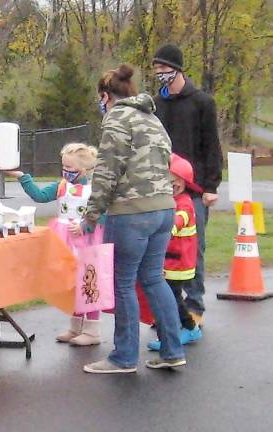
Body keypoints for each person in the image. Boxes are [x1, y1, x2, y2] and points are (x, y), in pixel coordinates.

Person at [82, 64, 185, 374]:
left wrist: (91, 215)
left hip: (130, 213)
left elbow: (107, 171)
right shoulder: (152, 118)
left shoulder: (116, 118)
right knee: (154, 278)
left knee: (124, 283)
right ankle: (172, 350)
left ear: (105, 96)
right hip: (163, 209)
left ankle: (123, 357)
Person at [5, 143, 104, 346]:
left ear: (84, 170)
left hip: (88, 241)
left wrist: (86, 225)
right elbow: (40, 196)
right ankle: (76, 326)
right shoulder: (61, 186)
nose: (66, 172)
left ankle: (92, 330)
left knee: (89, 283)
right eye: (64, 167)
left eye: (70, 168)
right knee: (72, 283)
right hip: (65, 239)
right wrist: (23, 177)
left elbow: (103, 214)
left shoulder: (96, 190)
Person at [152, 43, 223, 325]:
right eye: (156, 68)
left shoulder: (202, 102)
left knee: (194, 248)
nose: (160, 73)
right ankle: (168, 309)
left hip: (193, 189)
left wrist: (211, 186)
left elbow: (211, 146)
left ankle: (195, 306)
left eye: (164, 68)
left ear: (177, 69)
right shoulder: (156, 105)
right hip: (161, 187)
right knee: (162, 250)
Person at [147, 154, 203, 351]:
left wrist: (161, 227)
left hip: (178, 263)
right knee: (169, 297)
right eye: (167, 179)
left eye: (176, 180)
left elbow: (179, 221)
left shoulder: (184, 202)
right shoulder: (168, 200)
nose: (172, 184)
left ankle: (188, 327)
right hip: (169, 260)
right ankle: (177, 330)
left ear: (185, 182)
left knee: (172, 298)